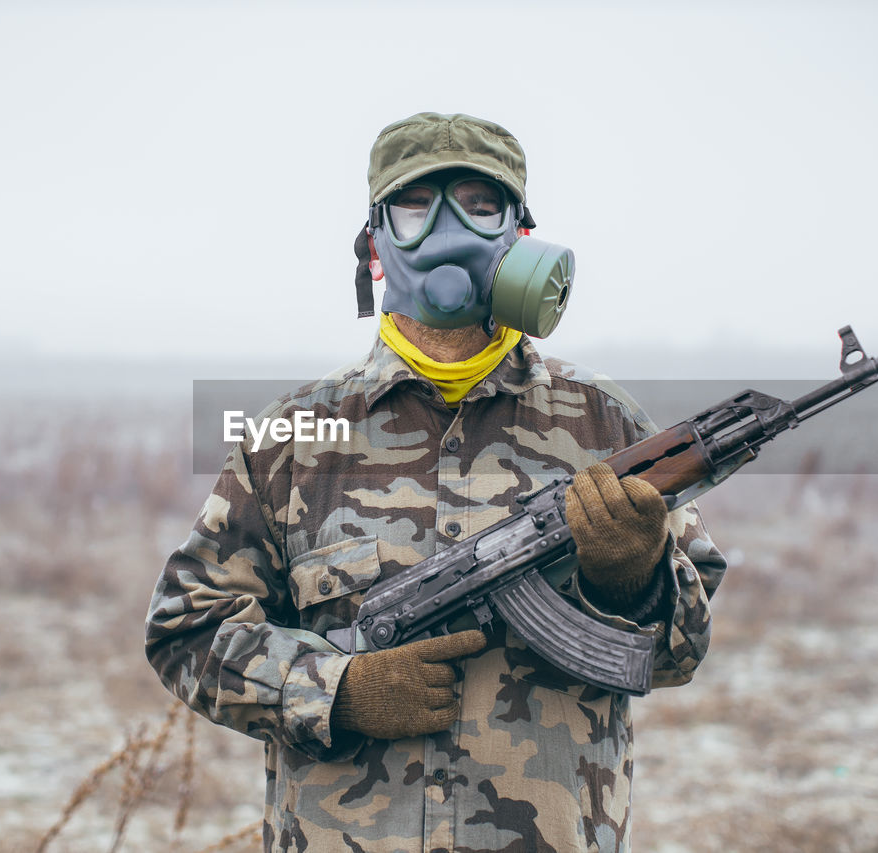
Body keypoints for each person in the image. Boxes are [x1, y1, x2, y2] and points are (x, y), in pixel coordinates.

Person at [146, 112, 726, 852]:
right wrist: (337, 690)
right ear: (375, 243)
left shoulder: (606, 428)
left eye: (481, 204)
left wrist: (633, 583)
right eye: (417, 206)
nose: (449, 229)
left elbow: (678, 654)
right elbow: (185, 632)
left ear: (521, 236)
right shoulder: (291, 437)